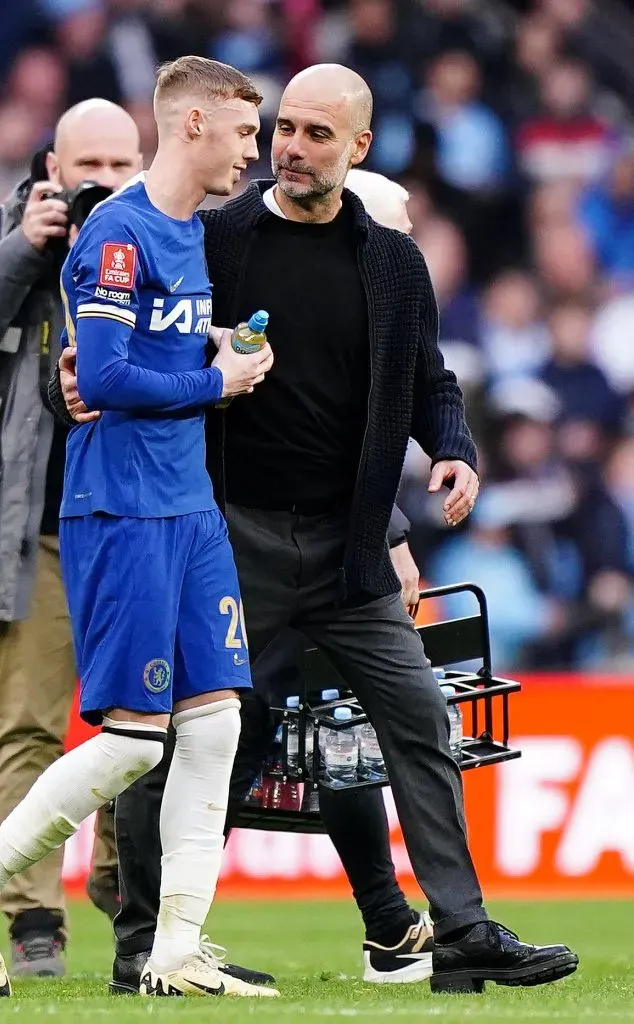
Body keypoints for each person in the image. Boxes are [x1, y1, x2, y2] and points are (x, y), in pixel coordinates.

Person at [52, 63, 579, 996]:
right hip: (230, 536)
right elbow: (134, 337)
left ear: (359, 148)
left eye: (316, 135)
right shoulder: (219, 237)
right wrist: (73, 368)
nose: (290, 149)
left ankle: (459, 930)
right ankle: (144, 945)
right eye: (284, 129)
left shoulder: (392, 262)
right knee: (190, 740)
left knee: (419, 720)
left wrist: (453, 448)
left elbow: (429, 378)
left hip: (348, 546)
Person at [0, 55, 281, 1001]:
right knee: (132, 740)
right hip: (122, 506)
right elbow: (109, 378)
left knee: (216, 724)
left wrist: (213, 344)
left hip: (189, 505)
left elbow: (140, 351)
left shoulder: (189, 232)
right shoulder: (118, 234)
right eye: (244, 132)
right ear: (193, 125)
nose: (253, 151)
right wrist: (217, 379)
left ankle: (176, 950)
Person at [0, 99, 144, 978]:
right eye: (91, 168)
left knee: (143, 724)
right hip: (32, 528)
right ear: (53, 168)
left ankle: (126, 887)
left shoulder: (163, 240)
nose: (106, 185)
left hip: (135, 525)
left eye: (122, 166)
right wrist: (24, 248)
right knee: (28, 728)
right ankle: (33, 917)